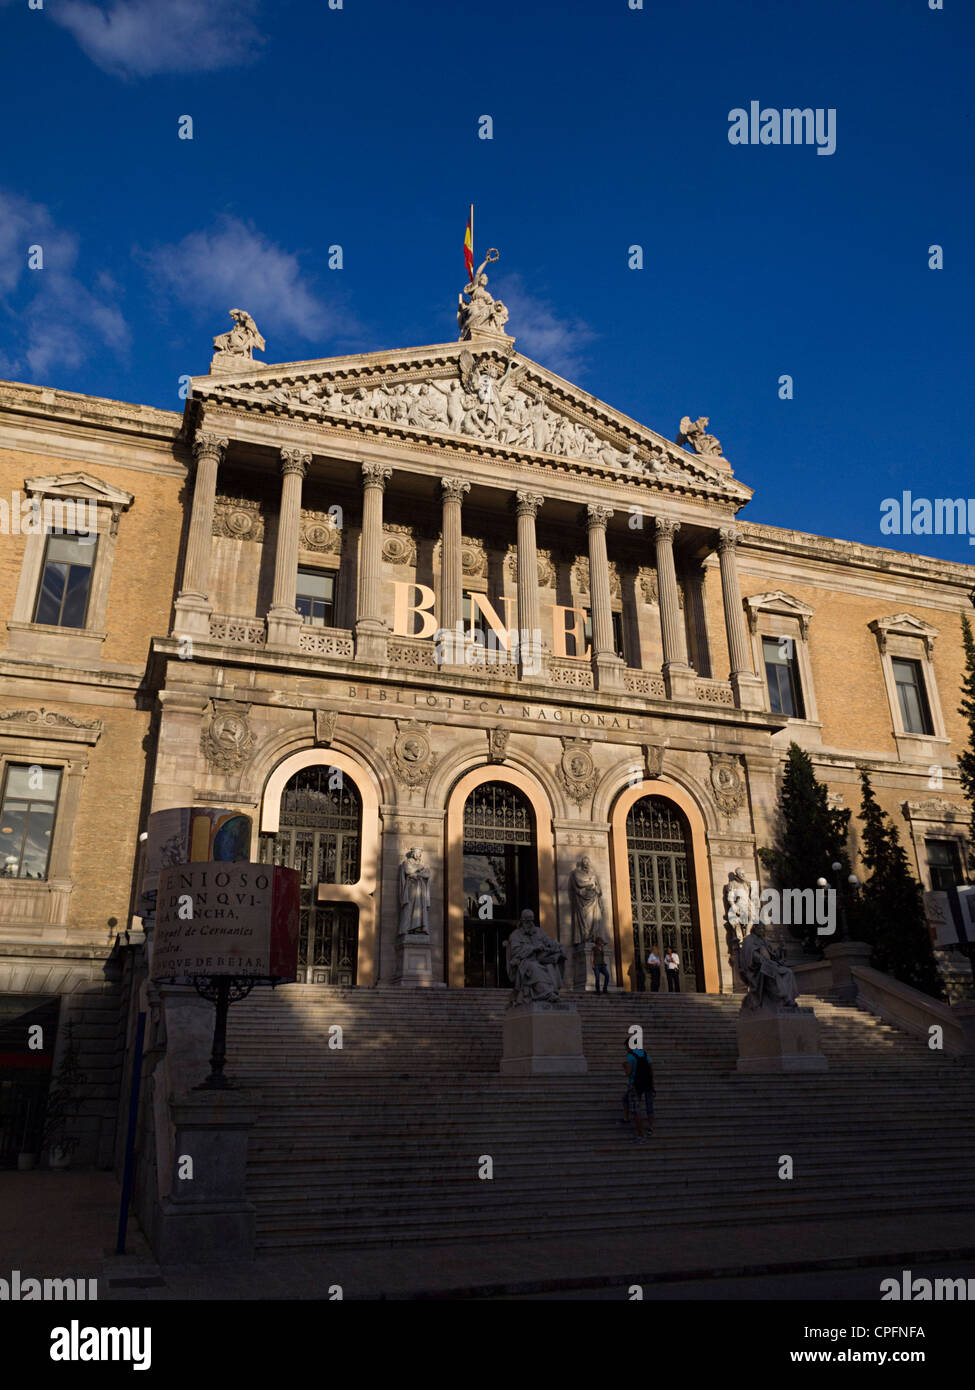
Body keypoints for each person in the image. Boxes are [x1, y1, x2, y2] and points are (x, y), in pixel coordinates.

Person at [622, 1041, 655, 1142]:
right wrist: (653, 1084)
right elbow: (651, 1070)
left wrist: (624, 1066)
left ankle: (641, 1135)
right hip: (648, 1084)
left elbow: (628, 1073)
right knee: (649, 1105)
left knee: (636, 1111)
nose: (625, 1049)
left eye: (626, 1047)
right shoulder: (645, 1054)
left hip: (635, 1085)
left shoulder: (630, 1056)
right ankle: (650, 1127)